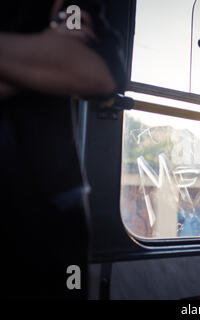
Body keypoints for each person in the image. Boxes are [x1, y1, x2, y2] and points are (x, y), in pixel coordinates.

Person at [0, 0, 125, 299]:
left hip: (49, 211)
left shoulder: (67, 5)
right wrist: (40, 57)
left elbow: (90, 70)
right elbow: (63, 63)